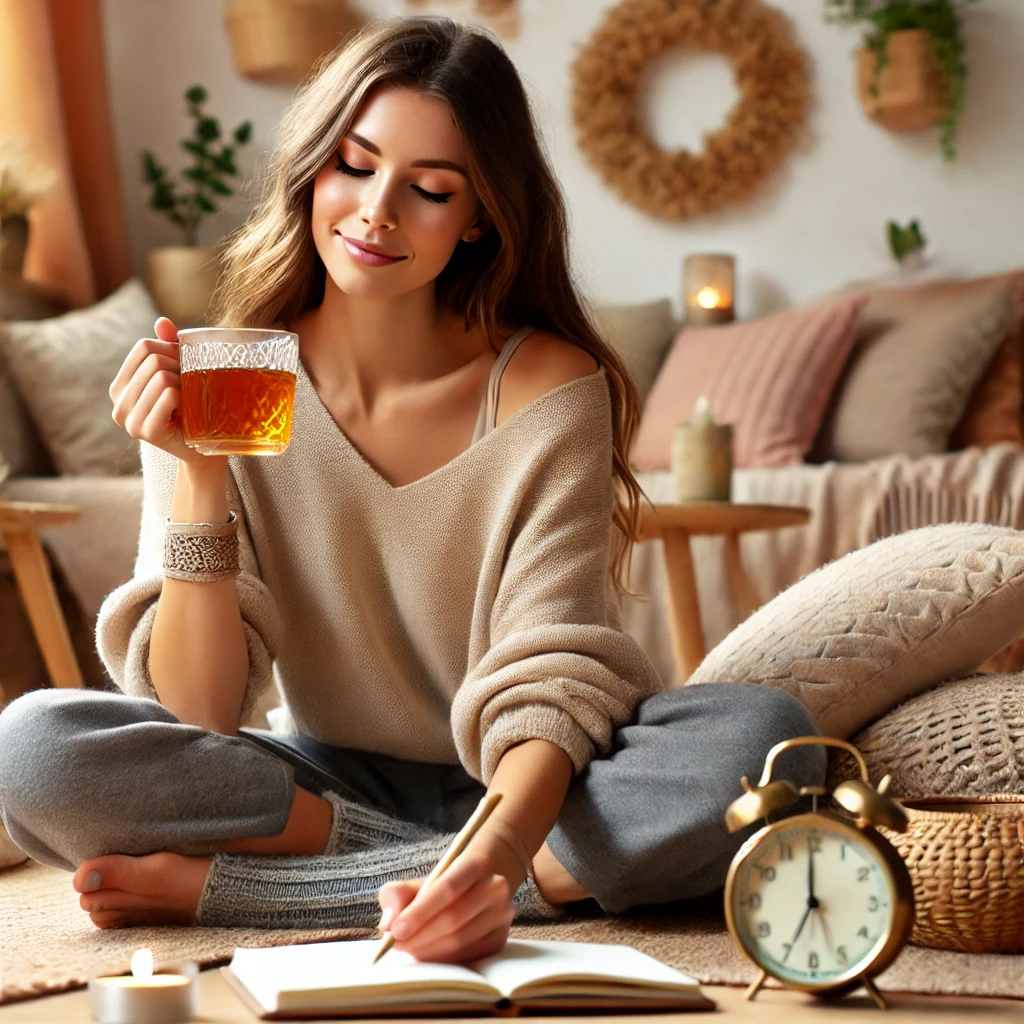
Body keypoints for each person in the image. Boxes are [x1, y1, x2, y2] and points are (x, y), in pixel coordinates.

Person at [0, 16, 824, 965]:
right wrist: (200, 469)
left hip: (539, 782)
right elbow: (199, 718)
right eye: (353, 165)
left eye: (429, 189)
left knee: (766, 745)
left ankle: (288, 896)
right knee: (34, 750)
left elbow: (550, 680)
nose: (377, 211)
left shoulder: (548, 385)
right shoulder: (226, 377)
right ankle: (523, 884)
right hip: (309, 792)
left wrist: (494, 852)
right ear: (312, 168)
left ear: (478, 214)